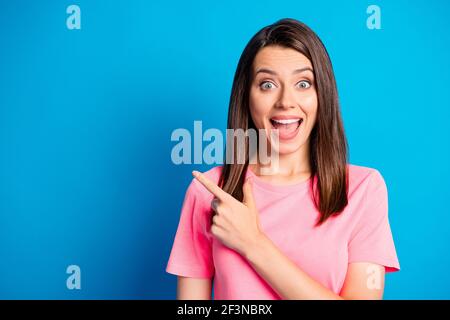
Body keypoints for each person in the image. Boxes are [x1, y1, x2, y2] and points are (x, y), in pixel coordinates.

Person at [166, 18, 400, 300]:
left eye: (303, 83)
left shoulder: (363, 189)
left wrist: (253, 244)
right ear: (246, 97)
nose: (286, 101)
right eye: (267, 85)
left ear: (322, 95)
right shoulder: (210, 190)